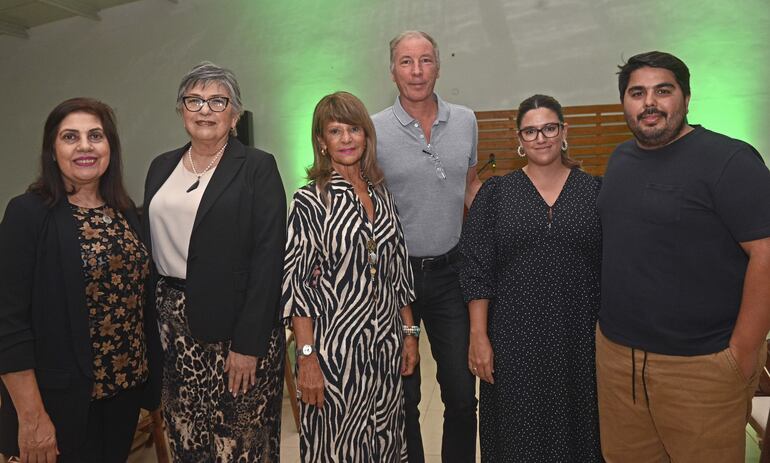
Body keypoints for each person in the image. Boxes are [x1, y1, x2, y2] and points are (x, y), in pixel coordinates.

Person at [597, 51, 770, 462]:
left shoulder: (730, 161)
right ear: (624, 102)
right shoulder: (620, 159)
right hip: (619, 363)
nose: (649, 103)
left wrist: (742, 353)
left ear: (686, 97)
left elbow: (766, 253)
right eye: (637, 93)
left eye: (663, 90)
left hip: (700, 367)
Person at [0, 97, 161, 463]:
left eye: (95, 136)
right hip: (58, 404)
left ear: (110, 149)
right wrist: (31, 417)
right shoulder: (27, 215)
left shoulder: (125, 214)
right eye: (70, 137)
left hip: (124, 395)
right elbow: (8, 324)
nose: (85, 146)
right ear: (52, 151)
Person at [142, 62, 286, 461]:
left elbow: (268, 260)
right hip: (172, 327)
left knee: (237, 444)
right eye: (194, 100)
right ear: (181, 110)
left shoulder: (258, 167)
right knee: (186, 437)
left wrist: (248, 344)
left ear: (234, 114)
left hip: (235, 328)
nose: (205, 110)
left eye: (217, 101)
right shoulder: (160, 166)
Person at [459, 94, 602, 462]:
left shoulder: (596, 192)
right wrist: (478, 336)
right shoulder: (496, 195)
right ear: (519, 140)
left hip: (580, 337)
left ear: (564, 131)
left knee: (583, 432)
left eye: (549, 128)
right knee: (517, 436)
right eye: (531, 131)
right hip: (513, 339)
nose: (541, 138)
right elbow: (477, 268)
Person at [281, 91, 419, 462]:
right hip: (334, 355)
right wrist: (307, 357)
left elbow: (397, 270)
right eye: (335, 131)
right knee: (337, 449)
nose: (345, 139)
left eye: (353, 129)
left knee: (386, 444)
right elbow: (300, 286)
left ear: (366, 135)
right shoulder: (310, 201)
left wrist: (409, 335)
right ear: (322, 142)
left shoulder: (381, 193)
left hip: (384, 349)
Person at [371, 30, 481, 462]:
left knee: (460, 393)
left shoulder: (466, 120)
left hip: (452, 275)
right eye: (406, 61)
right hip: (394, 282)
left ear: (439, 66)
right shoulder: (374, 129)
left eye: (425, 61)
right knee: (404, 396)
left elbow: (470, 187)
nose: (417, 71)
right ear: (392, 70)